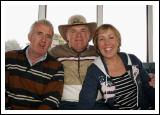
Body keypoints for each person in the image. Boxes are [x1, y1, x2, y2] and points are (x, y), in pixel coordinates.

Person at [78, 24, 155, 110]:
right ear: (97, 45)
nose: (107, 43)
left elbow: (149, 88)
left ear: (118, 41)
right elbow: (86, 101)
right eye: (101, 39)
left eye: (111, 37)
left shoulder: (133, 60)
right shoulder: (95, 69)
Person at [49, 15, 105, 109]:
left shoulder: (99, 52)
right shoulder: (55, 52)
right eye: (73, 31)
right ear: (67, 36)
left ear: (89, 35)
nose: (78, 35)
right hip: (65, 104)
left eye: (83, 30)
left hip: (96, 104)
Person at [5, 19, 64, 110]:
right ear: (29, 37)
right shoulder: (8, 58)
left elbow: (51, 100)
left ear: (51, 42)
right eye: (39, 34)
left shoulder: (56, 67)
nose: (44, 40)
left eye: (48, 36)